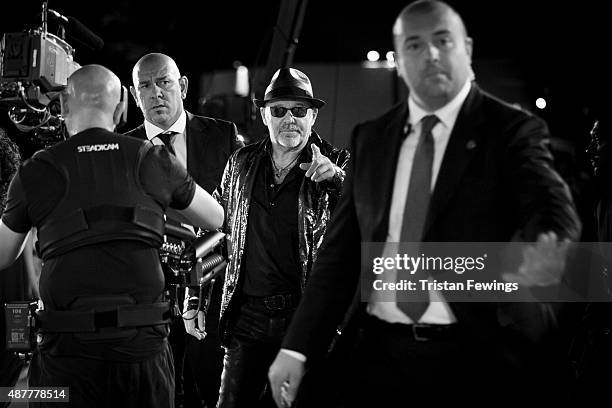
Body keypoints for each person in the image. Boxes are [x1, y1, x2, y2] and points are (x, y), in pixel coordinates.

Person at [268, 1, 581, 406]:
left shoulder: (511, 131)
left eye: (442, 40)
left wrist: (540, 259)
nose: (430, 53)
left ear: (466, 49)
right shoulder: (372, 138)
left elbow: (553, 212)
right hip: (377, 354)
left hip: (474, 359)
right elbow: (339, 257)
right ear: (399, 61)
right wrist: (297, 348)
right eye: (414, 45)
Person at [0, 64, 224, 407]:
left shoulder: (36, 172)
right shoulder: (151, 158)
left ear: (62, 108)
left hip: (66, 360)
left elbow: (2, 256)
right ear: (122, 106)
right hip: (143, 357)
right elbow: (215, 216)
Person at [214, 67, 349, 407]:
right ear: (264, 115)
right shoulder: (241, 162)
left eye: (299, 110)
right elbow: (215, 225)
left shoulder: (334, 163)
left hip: (302, 319)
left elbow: (366, 209)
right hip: (247, 317)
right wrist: (193, 299)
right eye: (279, 110)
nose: (290, 119)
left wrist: (336, 178)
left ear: (313, 116)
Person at [126, 52, 242, 408]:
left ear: (183, 86)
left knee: (212, 394)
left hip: (213, 288)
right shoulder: (123, 148)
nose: (156, 93)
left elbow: (237, 212)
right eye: (145, 86)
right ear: (134, 96)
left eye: (163, 82)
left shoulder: (223, 135)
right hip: (149, 300)